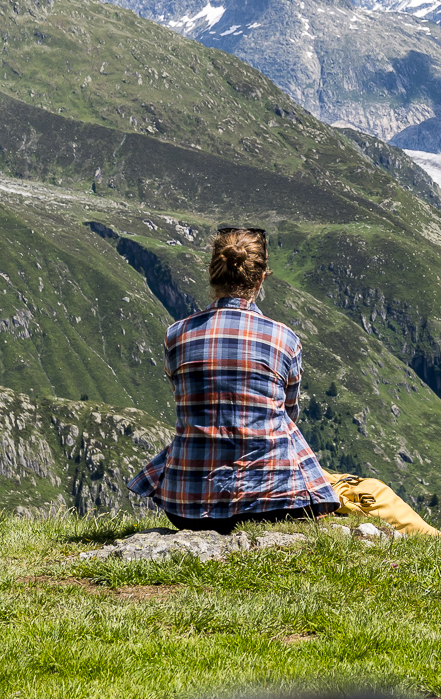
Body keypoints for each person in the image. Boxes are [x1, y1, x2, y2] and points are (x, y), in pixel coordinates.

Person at [130, 226, 341, 532]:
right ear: (262, 277)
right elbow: (289, 415)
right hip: (273, 504)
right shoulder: (284, 338)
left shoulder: (176, 335)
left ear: (212, 273)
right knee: (283, 425)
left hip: (188, 507)